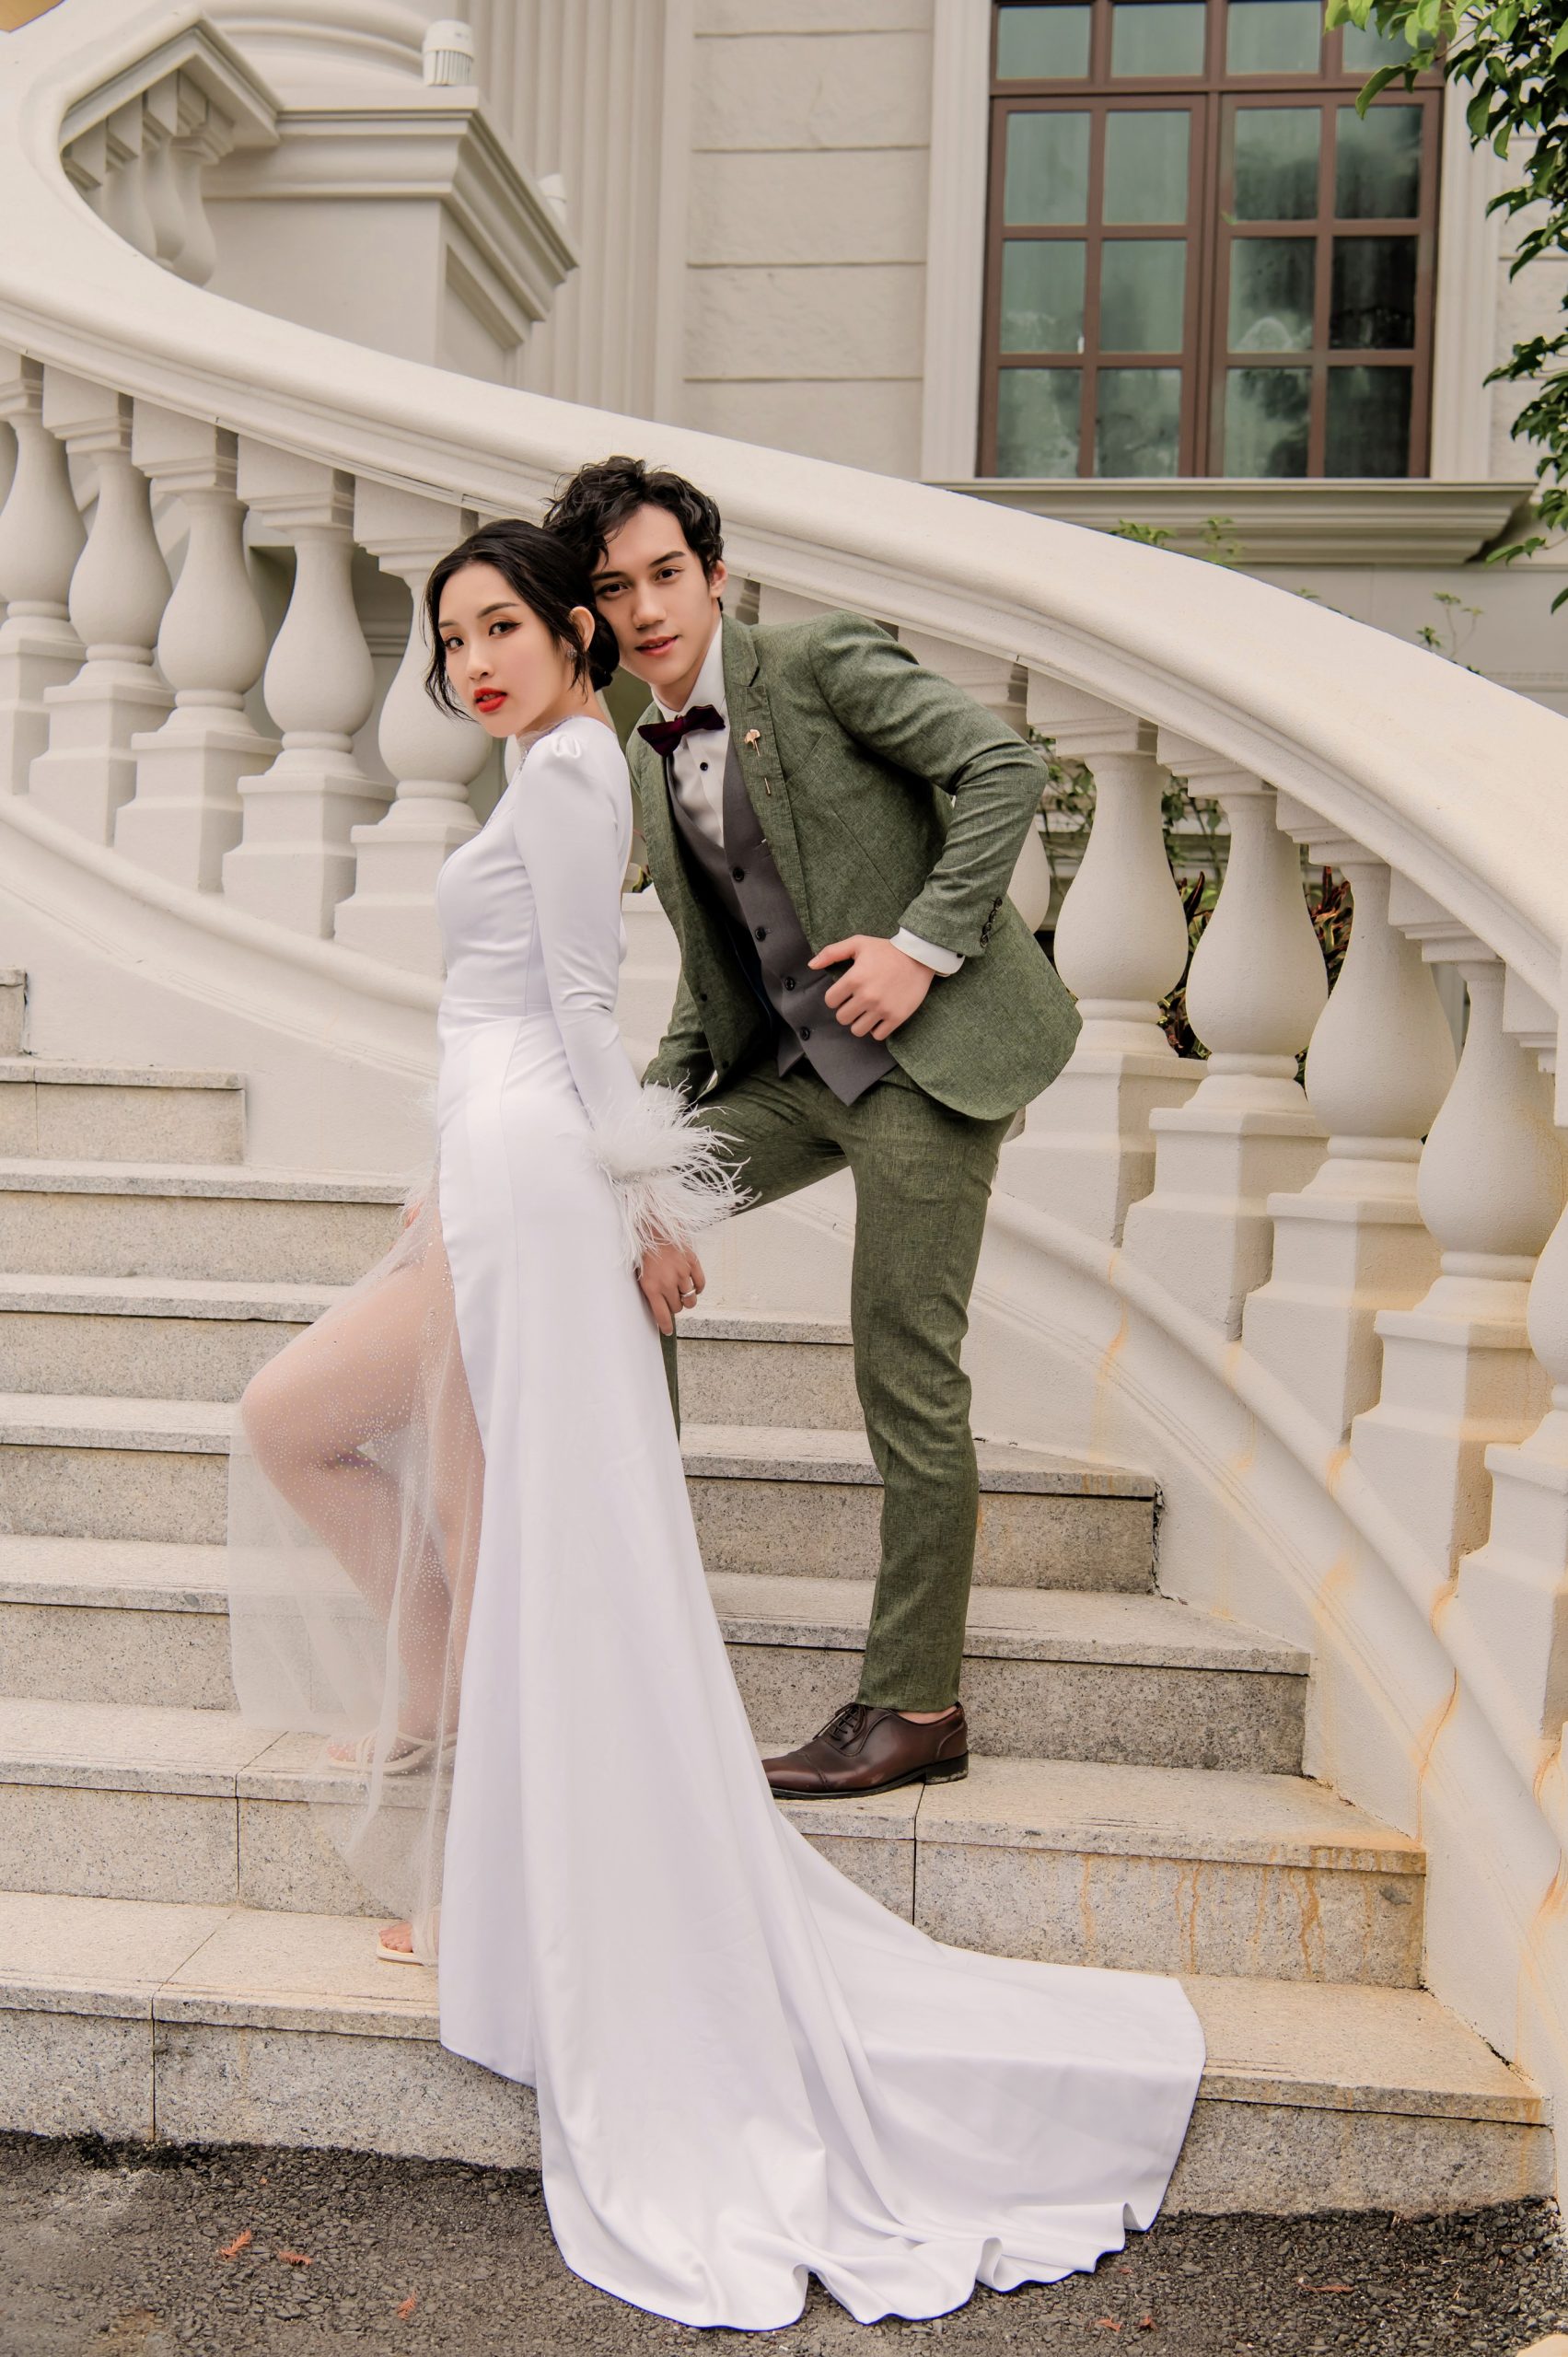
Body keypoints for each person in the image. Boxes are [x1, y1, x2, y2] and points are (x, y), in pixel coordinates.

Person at [227, 517, 1203, 2333]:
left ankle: (597, 1835)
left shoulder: (598, 760)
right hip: (510, 1166)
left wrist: (635, 1200)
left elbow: (579, 1012)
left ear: (594, 627)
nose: (478, 660)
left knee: (526, 1485)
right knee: (445, 1491)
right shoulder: (576, 761)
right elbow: (611, 1002)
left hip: (604, 1152)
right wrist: (583, 1183)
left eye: (508, 624)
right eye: (454, 637)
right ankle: (490, 1852)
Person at [544, 457, 1082, 1800]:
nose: (648, 608)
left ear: (716, 576)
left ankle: (916, 1706)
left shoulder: (823, 663)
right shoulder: (643, 759)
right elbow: (715, 975)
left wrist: (920, 946)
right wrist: (639, 1146)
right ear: (593, 617)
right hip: (791, 1071)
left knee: (905, 1367)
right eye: (616, 589)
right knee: (608, 1233)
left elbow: (1004, 765)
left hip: (926, 1066)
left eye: (668, 574)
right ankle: (634, 1615)